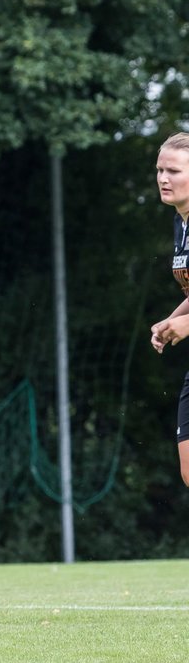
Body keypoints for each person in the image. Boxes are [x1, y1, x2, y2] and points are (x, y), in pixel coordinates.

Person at [150, 131, 189, 486]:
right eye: (160, 170)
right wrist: (173, 319)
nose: (163, 178)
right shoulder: (181, 220)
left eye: (173, 171)